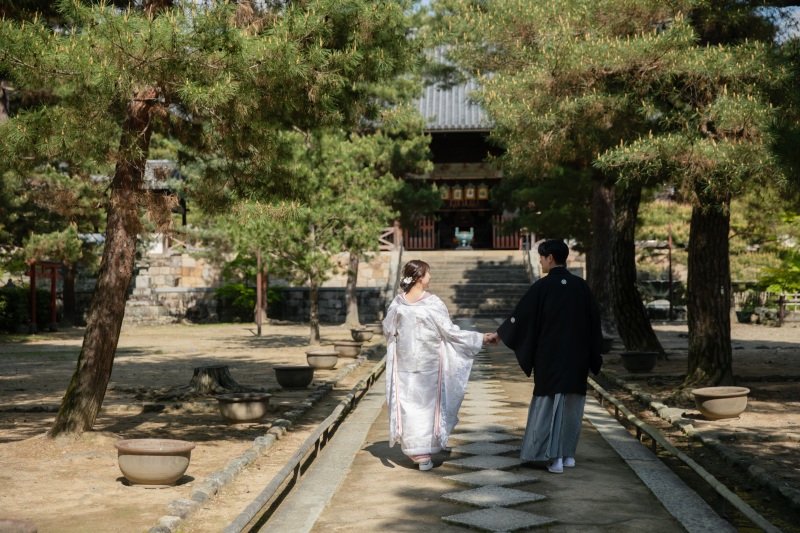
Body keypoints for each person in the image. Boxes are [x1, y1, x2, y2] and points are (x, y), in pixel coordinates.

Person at [486, 239, 603, 474]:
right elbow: (594, 323)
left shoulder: (542, 287)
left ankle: (553, 457)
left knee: (550, 404)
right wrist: (593, 354)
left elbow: (521, 317)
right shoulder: (581, 286)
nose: (540, 261)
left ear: (550, 258)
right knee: (572, 403)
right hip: (577, 355)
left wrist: (500, 334)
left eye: (541, 257)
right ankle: (568, 454)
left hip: (550, 356)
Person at [383, 259, 495, 471]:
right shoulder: (409, 303)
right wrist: (481, 338)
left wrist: (478, 338)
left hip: (428, 364)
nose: (431, 277)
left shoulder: (405, 303)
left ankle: (421, 451)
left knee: (424, 407)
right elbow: (449, 331)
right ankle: (419, 452)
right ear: (418, 277)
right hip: (407, 365)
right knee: (411, 406)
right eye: (428, 273)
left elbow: (389, 330)